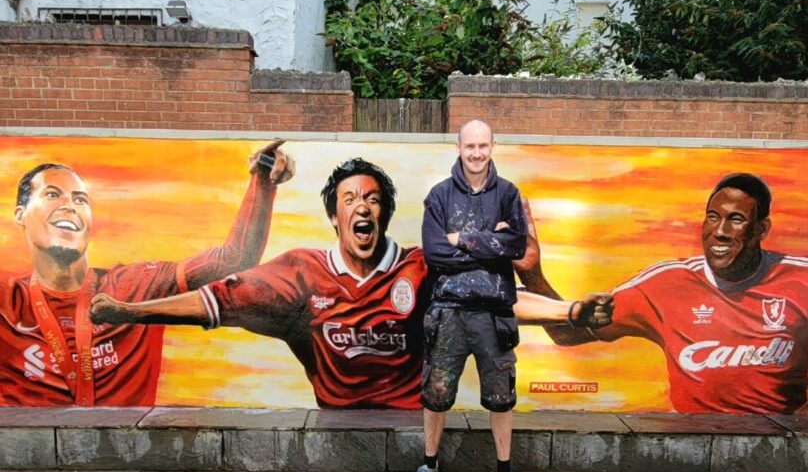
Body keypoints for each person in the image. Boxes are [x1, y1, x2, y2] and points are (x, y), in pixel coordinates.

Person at [89, 158, 611, 410]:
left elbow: (495, 299)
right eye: (349, 199)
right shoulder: (298, 275)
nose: (361, 206)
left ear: (382, 214)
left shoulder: (419, 268)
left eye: (372, 199)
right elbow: (211, 302)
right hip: (334, 424)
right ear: (334, 218)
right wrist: (128, 311)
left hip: (410, 423)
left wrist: (565, 312)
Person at [403, 120, 612, 472]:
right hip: (447, 313)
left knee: (501, 400)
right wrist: (490, 243)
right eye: (470, 146)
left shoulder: (508, 195)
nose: (477, 153)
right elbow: (434, 252)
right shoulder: (440, 196)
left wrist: (463, 239)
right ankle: (429, 464)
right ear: (458, 147)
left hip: (496, 314)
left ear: (493, 146)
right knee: (435, 396)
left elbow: (516, 245)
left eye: (483, 145)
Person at [0, 140, 295, 406]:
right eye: (53, 195)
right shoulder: (8, 302)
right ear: (20, 214)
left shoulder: (135, 286)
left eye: (81, 200)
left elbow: (235, 260)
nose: (70, 206)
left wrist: (264, 181)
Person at [518, 172, 808, 415]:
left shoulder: (800, 280)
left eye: (736, 219)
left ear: (761, 229)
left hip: (780, 451)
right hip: (693, 450)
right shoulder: (665, 284)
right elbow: (567, 335)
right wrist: (532, 272)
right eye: (712, 217)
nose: (720, 231)